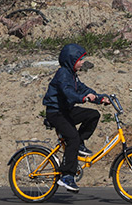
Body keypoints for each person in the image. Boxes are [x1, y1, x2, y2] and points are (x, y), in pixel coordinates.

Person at [41, 43, 110, 193]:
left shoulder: (72, 75)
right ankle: (66, 175)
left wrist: (99, 98)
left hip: (66, 110)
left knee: (93, 115)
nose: (82, 62)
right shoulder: (63, 74)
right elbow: (68, 92)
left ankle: (79, 144)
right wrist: (82, 97)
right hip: (56, 112)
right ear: (71, 60)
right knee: (72, 137)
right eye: (80, 60)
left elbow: (83, 89)